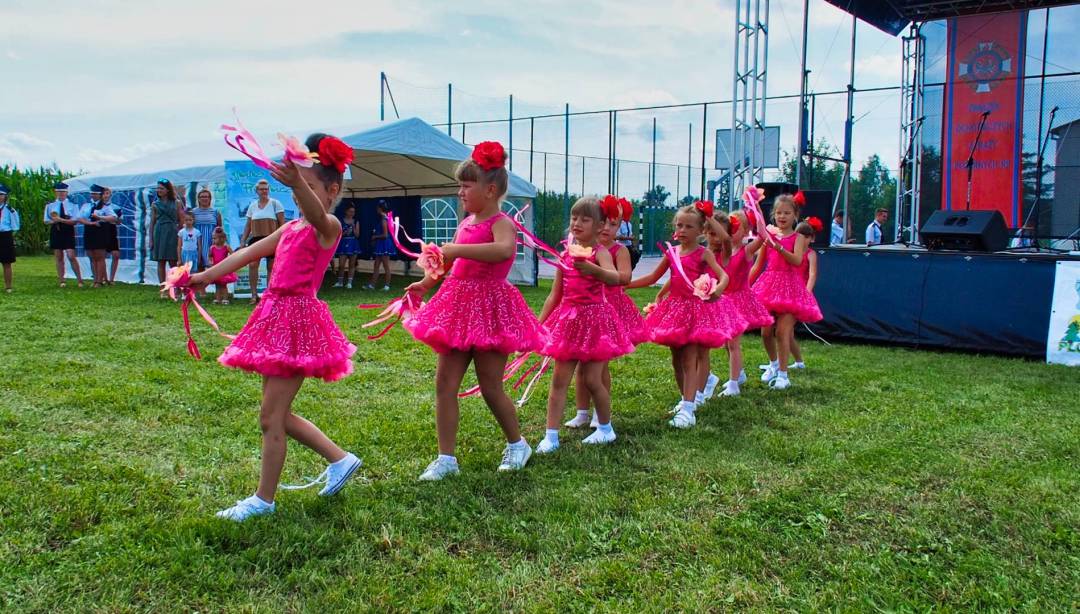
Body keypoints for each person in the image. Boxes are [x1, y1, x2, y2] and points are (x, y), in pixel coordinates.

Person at [190, 133, 362, 522]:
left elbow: (317, 214)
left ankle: (263, 501)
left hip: (298, 324)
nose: (299, 195)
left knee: (271, 416)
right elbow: (248, 252)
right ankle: (340, 459)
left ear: (331, 190)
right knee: (275, 415)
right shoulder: (290, 230)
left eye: (310, 186)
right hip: (274, 320)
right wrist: (204, 276)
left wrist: (296, 182)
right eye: (300, 186)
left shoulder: (328, 225)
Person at [403, 141, 543, 481]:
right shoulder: (466, 223)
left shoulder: (502, 222)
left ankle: (517, 444)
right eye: (460, 185)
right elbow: (447, 263)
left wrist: (458, 248)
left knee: (490, 385)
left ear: (490, 189)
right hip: (456, 308)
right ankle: (446, 458)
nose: (460, 191)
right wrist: (425, 283)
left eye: (467, 185)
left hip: (491, 310)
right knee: (444, 383)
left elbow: (503, 251)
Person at [534, 196, 632, 454]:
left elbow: (615, 278)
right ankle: (551, 436)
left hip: (595, 321)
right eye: (574, 218)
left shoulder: (600, 252)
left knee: (592, 379)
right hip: (569, 321)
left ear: (600, 226)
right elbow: (555, 295)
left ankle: (605, 428)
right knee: (559, 380)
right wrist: (539, 324)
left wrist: (595, 271)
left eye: (585, 219)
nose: (577, 223)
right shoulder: (565, 255)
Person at [628, 201, 733, 429]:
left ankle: (688, 409)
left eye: (688, 226)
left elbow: (723, 275)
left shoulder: (704, 254)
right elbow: (653, 278)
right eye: (679, 225)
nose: (682, 230)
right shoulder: (671, 252)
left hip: (696, 310)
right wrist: (623, 285)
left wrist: (718, 289)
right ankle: (686, 399)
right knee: (676, 358)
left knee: (689, 358)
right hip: (674, 309)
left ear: (700, 231)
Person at [566, 195, 645, 430]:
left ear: (620, 227)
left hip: (609, 310)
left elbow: (624, 278)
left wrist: (597, 270)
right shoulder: (582, 247)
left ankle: (599, 415)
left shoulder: (618, 251)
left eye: (614, 224)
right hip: (583, 310)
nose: (608, 229)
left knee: (600, 366)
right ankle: (581, 411)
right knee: (581, 364)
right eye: (606, 223)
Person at [753, 194, 822, 390]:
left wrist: (778, 247)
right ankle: (774, 364)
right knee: (766, 332)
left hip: (790, 288)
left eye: (787, 213)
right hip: (768, 286)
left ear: (795, 215)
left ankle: (783, 374)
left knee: (783, 331)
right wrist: (742, 287)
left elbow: (797, 260)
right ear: (773, 215)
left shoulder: (799, 237)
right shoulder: (769, 237)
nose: (782, 216)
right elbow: (758, 266)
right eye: (778, 213)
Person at [707, 209, 771, 398]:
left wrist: (757, 208)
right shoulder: (717, 252)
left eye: (736, 228)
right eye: (729, 227)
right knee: (727, 343)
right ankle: (739, 373)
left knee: (733, 343)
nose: (731, 232)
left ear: (745, 231)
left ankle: (734, 383)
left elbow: (763, 235)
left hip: (739, 300)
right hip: (722, 300)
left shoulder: (747, 250)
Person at [240, 179, 286, 304]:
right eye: (261, 189)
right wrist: (243, 240)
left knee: (271, 267)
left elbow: (282, 224)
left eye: (266, 188)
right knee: (253, 265)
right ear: (257, 191)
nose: (264, 191)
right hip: (256, 239)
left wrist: (282, 239)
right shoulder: (252, 206)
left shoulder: (276, 203)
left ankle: (269, 295)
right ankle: (254, 295)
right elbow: (248, 225)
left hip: (272, 238)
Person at [788, 219, 821, 370]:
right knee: (785, 331)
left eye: (807, 237)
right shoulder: (793, 251)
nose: (804, 240)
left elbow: (812, 274)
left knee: (786, 331)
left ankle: (795, 362)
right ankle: (797, 361)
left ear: (812, 238)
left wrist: (806, 294)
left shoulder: (811, 254)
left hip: (800, 293)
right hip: (788, 291)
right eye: (801, 236)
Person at [44, 182, 83, 288]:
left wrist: (62, 220)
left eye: (63, 192)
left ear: (67, 193)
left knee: (71, 255)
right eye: (59, 192)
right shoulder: (50, 205)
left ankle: (79, 279)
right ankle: (62, 280)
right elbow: (46, 220)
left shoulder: (72, 205)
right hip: (56, 230)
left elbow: (75, 221)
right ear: (55, 192)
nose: (61, 194)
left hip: (68, 231)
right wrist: (54, 221)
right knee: (59, 256)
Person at [149, 179, 184, 297]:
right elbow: (152, 222)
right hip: (159, 231)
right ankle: (163, 288)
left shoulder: (177, 203)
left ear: (167, 190)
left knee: (173, 261)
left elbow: (181, 219)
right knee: (161, 261)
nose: (159, 190)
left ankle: (176, 288)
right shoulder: (155, 204)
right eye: (158, 188)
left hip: (172, 232)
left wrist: (178, 233)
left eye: (161, 188)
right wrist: (151, 239)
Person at [80, 184, 110, 287]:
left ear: (100, 195)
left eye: (96, 194)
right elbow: (80, 218)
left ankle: (99, 281)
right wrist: (91, 223)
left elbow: (113, 218)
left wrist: (101, 218)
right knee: (91, 256)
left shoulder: (105, 207)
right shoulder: (86, 206)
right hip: (89, 230)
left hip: (100, 231)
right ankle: (95, 279)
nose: (93, 195)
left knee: (100, 256)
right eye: (92, 193)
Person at [191, 186, 222, 271]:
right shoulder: (193, 212)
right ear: (198, 199)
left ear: (210, 199)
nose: (204, 199)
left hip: (211, 242)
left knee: (214, 268)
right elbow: (190, 228)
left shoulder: (215, 212)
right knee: (199, 268)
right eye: (202, 197)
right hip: (198, 243)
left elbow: (220, 229)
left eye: (206, 196)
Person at [367, 200, 395, 290]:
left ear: (379, 208)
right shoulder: (386, 218)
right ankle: (372, 285)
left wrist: (375, 236)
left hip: (384, 244)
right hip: (381, 244)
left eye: (377, 208)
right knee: (376, 265)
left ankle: (387, 286)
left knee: (386, 265)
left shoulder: (384, 219)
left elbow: (385, 235)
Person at [334, 203, 361, 288]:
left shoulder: (356, 221)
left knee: (352, 264)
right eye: (350, 211)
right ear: (346, 211)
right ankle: (340, 282)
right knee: (341, 264)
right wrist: (345, 232)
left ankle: (349, 283)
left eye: (353, 212)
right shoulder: (341, 221)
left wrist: (353, 228)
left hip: (353, 244)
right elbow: (338, 234)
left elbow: (357, 235)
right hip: (343, 243)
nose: (352, 213)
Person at [207, 227, 236, 305]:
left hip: (223, 268)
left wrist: (230, 261)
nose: (215, 240)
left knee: (223, 285)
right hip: (216, 268)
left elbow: (233, 254)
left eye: (216, 238)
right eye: (214, 238)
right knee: (217, 285)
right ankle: (217, 298)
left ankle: (225, 299)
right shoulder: (212, 248)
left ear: (223, 238)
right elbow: (210, 256)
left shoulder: (226, 247)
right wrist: (210, 261)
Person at [100, 186, 123, 284]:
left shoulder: (116, 207)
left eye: (107, 193)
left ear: (110, 195)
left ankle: (112, 278)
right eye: (104, 193)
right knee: (102, 255)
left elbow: (119, 221)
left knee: (116, 254)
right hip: (101, 230)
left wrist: (114, 219)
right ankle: (104, 277)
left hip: (112, 230)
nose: (105, 195)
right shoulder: (98, 207)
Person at [0, 183, 20, 292]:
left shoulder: (10, 210)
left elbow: (15, 225)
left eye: (1, 194)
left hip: (5, 235)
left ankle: (8, 286)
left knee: (6, 262)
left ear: (5, 196)